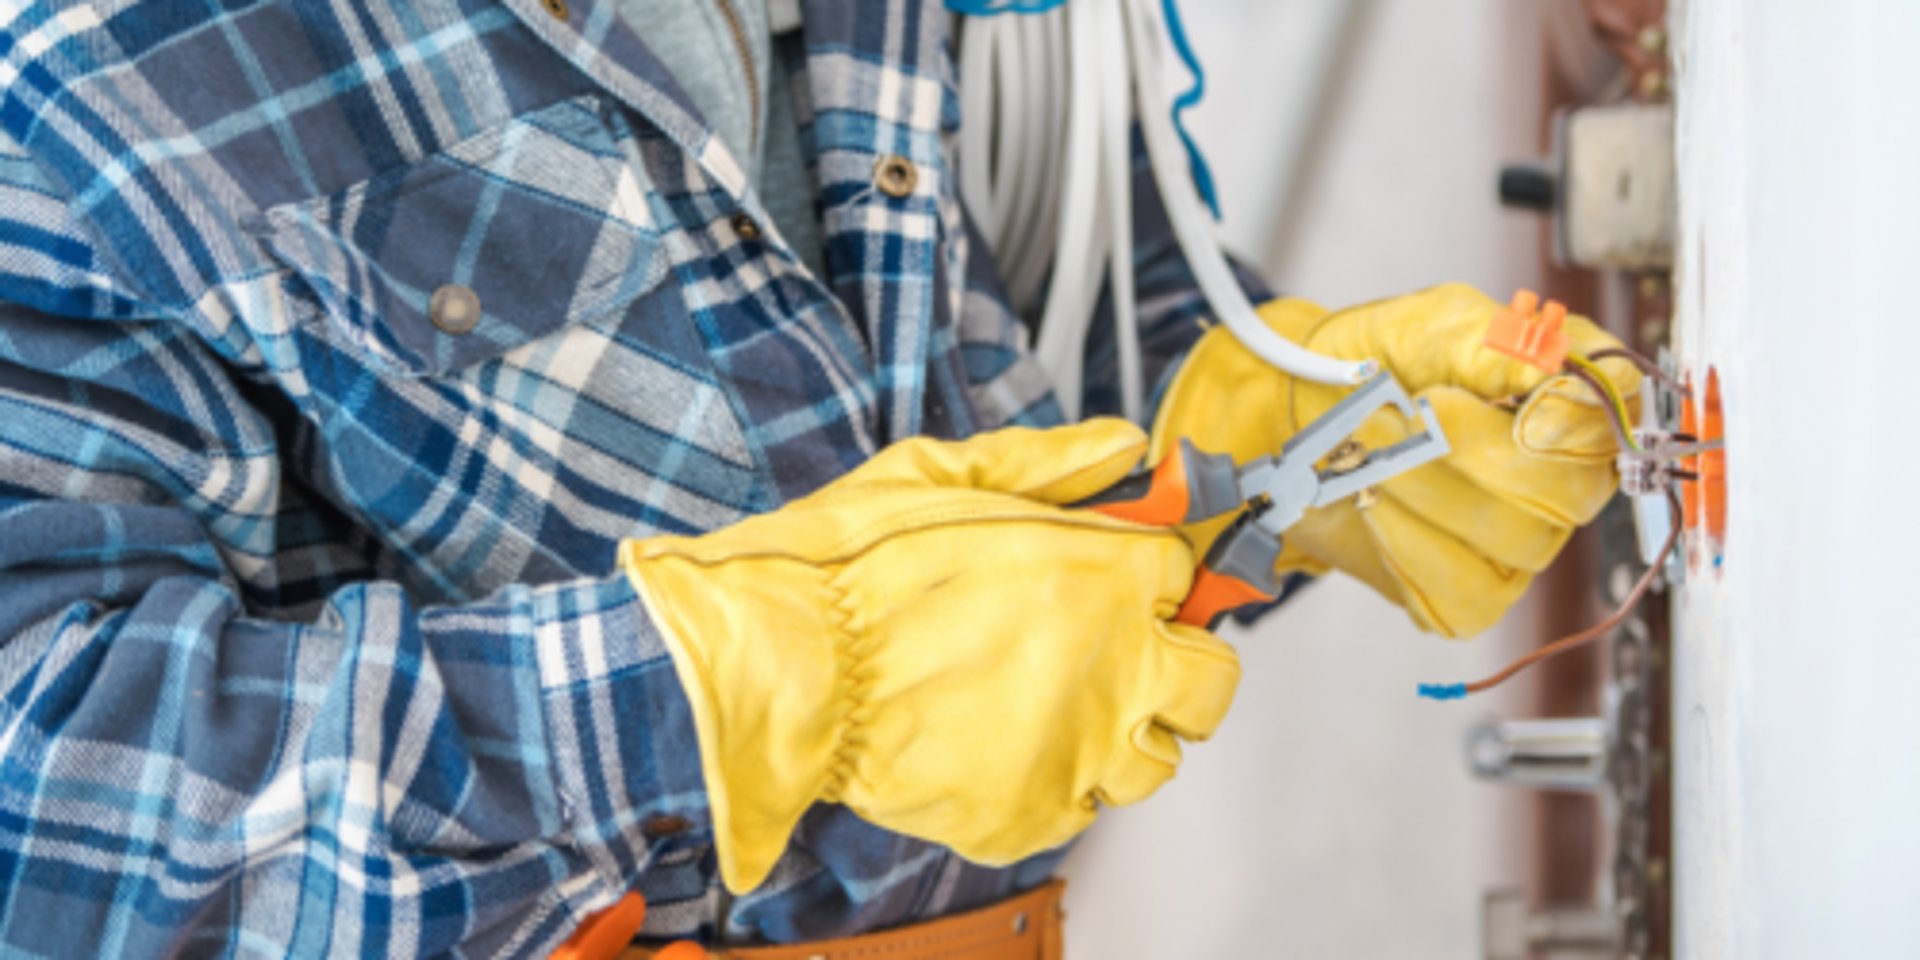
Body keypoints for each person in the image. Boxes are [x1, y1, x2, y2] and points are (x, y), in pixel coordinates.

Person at [0, 1, 1638, 956]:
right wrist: (756, 689)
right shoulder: (74, 69)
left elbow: (1026, 298)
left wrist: (1265, 427)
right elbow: (46, 810)